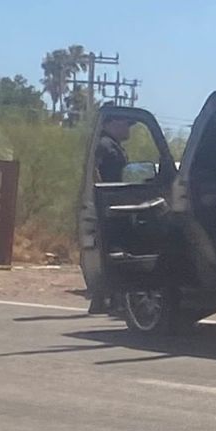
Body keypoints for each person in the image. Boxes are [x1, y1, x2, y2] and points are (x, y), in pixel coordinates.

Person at [88, 115, 132, 314]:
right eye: (125, 123)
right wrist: (101, 197)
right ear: (112, 123)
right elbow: (93, 170)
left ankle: (112, 299)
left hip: (116, 204)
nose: (128, 128)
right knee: (110, 249)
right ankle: (102, 298)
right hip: (108, 206)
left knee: (116, 250)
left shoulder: (114, 145)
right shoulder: (104, 145)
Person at [96, 116, 132, 183]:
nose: (129, 127)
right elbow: (94, 172)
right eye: (127, 123)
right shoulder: (105, 145)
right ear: (112, 123)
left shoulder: (110, 145)